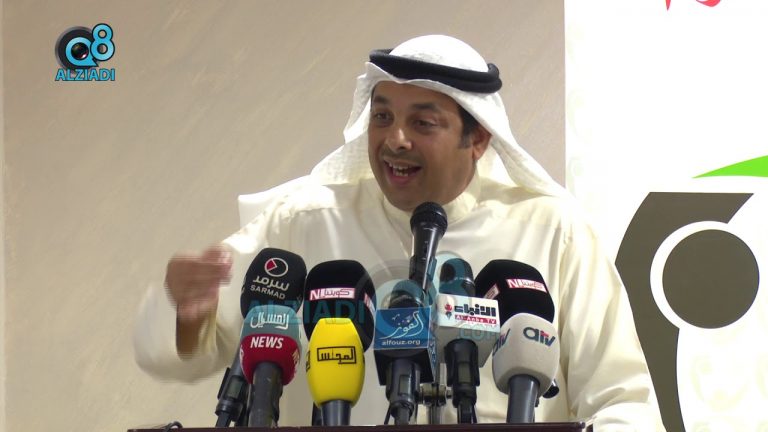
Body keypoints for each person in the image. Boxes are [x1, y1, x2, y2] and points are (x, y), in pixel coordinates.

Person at [134, 35, 666, 431]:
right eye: (383, 116)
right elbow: (184, 352)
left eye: (423, 123)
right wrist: (188, 311)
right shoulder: (305, 221)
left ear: (478, 138)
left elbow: (621, 398)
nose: (396, 140)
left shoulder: (553, 231)